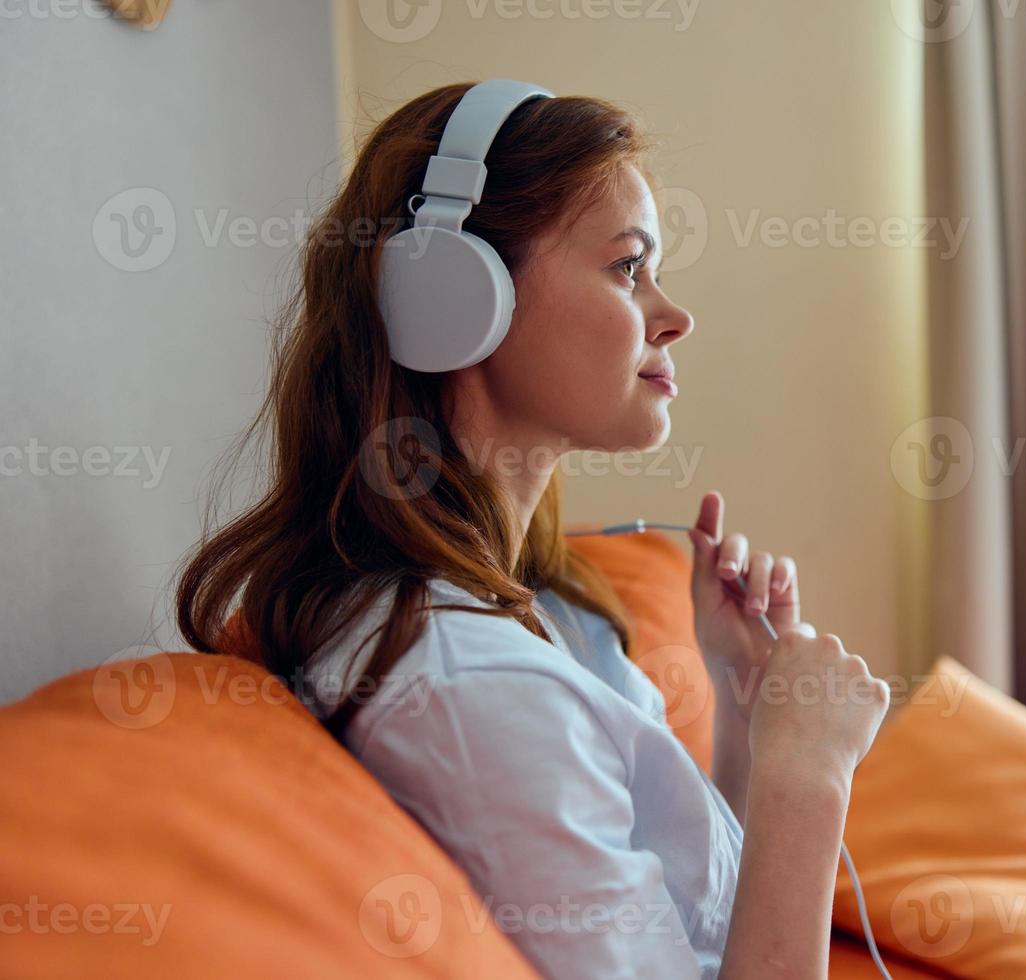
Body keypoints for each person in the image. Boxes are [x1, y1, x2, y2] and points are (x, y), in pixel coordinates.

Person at [174, 82, 890, 978]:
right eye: (628, 267)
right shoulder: (473, 692)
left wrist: (744, 706)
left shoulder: (535, 607)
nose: (675, 316)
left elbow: (699, 930)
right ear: (451, 298)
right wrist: (808, 778)